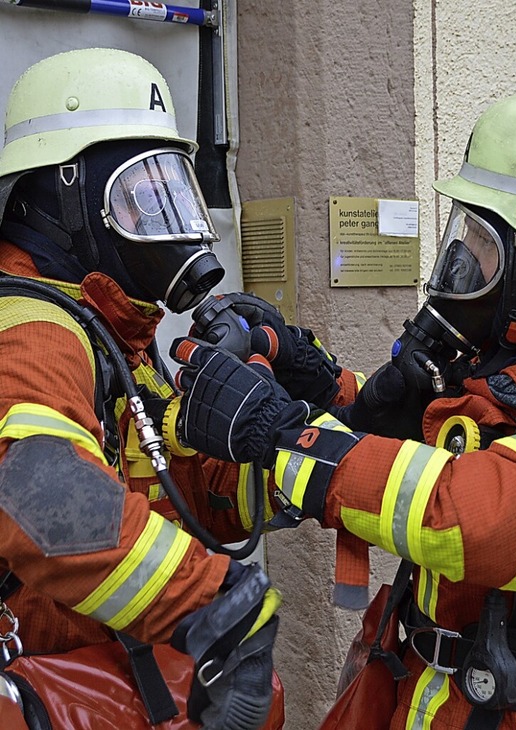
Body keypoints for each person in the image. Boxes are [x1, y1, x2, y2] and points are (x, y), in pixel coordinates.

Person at [162, 92, 516, 730]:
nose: (460, 270)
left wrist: (282, 435)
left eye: (484, 248)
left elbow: (481, 518)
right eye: (459, 238)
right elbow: (442, 449)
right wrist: (327, 388)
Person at [0, 46, 325, 730]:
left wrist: (276, 444)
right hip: (47, 671)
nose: (163, 217)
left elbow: (174, 491)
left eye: (168, 188)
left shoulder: (110, 328)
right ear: (64, 194)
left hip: (99, 670)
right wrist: (214, 602)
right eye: (139, 194)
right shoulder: (35, 332)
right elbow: (46, 499)